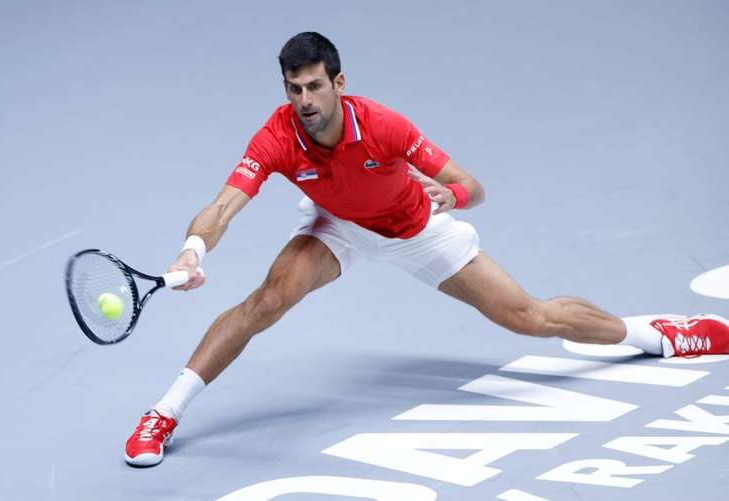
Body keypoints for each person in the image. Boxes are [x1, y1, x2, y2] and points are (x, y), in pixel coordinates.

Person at [124, 32, 729, 467]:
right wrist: (193, 250)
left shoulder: (385, 125)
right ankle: (165, 412)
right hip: (336, 226)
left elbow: (473, 186)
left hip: (417, 229)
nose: (304, 101)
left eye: (314, 86)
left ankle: (657, 334)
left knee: (529, 318)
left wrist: (453, 197)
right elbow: (226, 203)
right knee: (267, 301)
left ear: (339, 83)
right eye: (293, 89)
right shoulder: (279, 134)